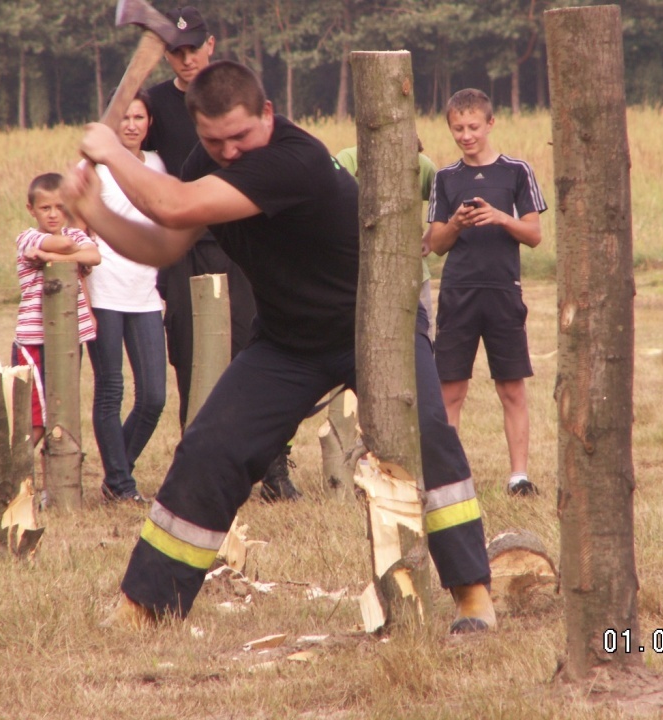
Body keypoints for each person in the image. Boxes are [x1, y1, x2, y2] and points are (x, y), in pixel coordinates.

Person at [63, 60, 496, 635]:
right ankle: (148, 605)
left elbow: (173, 205)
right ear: (198, 132)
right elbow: (163, 243)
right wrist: (92, 209)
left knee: (428, 440)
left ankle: (473, 594)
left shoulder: (298, 159)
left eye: (241, 136)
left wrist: (111, 152)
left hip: (373, 323)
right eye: (215, 142)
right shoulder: (205, 163)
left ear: (267, 114)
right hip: (289, 340)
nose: (231, 152)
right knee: (209, 448)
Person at [147, 6, 298, 502]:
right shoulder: (153, 106)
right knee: (192, 355)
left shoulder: (236, 97)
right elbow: (127, 143)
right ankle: (199, 465)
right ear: (164, 55)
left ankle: (275, 466)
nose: (186, 60)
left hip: (242, 243)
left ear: (210, 46)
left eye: (194, 49)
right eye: (176, 51)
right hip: (188, 245)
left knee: (257, 349)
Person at [426, 88, 547, 497]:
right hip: (457, 291)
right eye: (457, 128)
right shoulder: (445, 178)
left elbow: (534, 235)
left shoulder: (517, 172)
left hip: (503, 291)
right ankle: (449, 479)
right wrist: (458, 223)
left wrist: (499, 217)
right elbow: (436, 244)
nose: (465, 135)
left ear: (490, 124)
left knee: (511, 386)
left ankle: (519, 477)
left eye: (473, 127)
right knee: (450, 390)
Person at [85, 89, 167, 505]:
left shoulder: (158, 165)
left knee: (154, 395)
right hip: (103, 290)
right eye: (125, 118)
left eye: (139, 117)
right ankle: (120, 485)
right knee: (111, 389)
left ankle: (118, 471)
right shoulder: (94, 169)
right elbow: (76, 225)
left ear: (149, 122)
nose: (132, 125)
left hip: (146, 292)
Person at [13, 173, 100, 483]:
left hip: (66, 339)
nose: (52, 214)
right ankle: (10, 472)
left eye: (60, 207)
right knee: (36, 418)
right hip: (34, 340)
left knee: (61, 412)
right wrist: (62, 251)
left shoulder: (75, 238)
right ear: (31, 209)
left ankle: (54, 483)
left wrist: (49, 257)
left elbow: (94, 256)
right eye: (45, 207)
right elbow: (64, 242)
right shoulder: (27, 237)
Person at [334, 141, 438, 339]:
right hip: (359, 273)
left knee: (420, 340)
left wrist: (429, 238)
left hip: (413, 274)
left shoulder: (421, 165)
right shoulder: (347, 160)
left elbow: (445, 203)